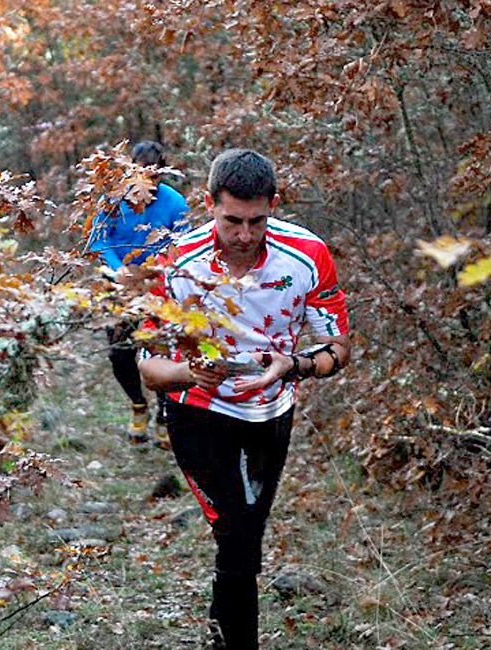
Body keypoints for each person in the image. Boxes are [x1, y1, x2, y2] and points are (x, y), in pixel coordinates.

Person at [137, 148, 351, 649]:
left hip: (272, 409)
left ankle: (219, 636)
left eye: (257, 220)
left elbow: (337, 347)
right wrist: (190, 372)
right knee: (236, 535)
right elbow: (147, 366)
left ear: (274, 204)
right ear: (208, 203)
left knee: (245, 534)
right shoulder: (175, 262)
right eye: (232, 219)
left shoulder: (308, 255)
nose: (244, 234)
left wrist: (291, 365)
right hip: (197, 411)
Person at [86, 141, 189, 445]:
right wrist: (119, 271)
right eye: (141, 176)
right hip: (117, 286)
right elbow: (98, 241)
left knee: (159, 348)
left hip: (158, 285)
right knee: (120, 354)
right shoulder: (112, 201)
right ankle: (137, 404)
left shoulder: (175, 203)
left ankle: (163, 415)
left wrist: (154, 272)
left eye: (154, 177)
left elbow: (182, 246)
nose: (148, 184)